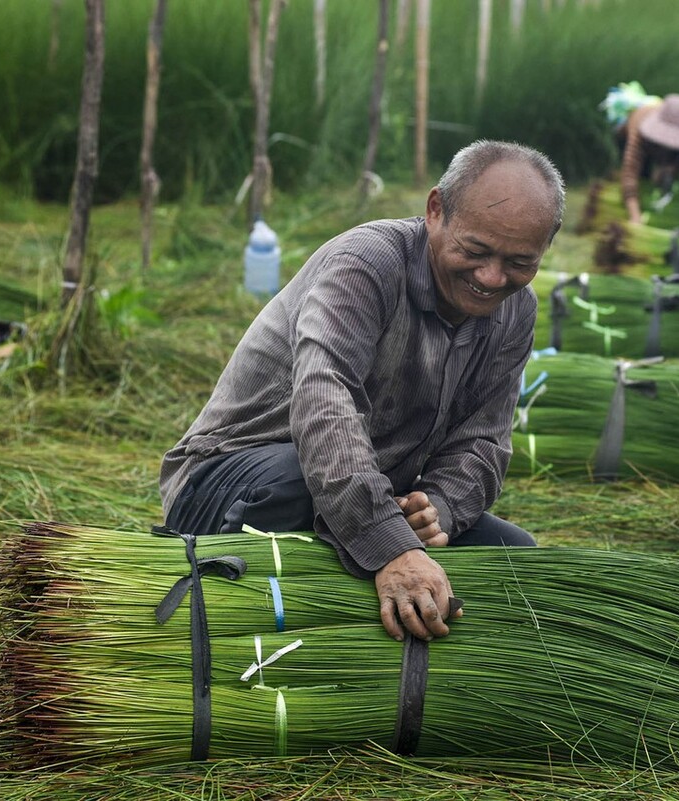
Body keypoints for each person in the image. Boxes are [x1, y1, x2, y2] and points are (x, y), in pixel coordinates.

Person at [160, 140, 565, 644]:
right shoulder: (367, 264)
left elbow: (483, 441)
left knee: (513, 555)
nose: (491, 277)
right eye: (475, 251)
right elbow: (325, 406)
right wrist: (391, 546)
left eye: (519, 262)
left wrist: (435, 508)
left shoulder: (515, 311)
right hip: (232, 481)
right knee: (294, 483)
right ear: (435, 210)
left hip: (366, 495)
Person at [616, 93, 679, 224]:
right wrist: (635, 216)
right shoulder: (639, 126)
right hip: (645, 144)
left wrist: (670, 170)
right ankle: (641, 198)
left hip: (674, 155)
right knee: (643, 175)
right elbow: (630, 171)